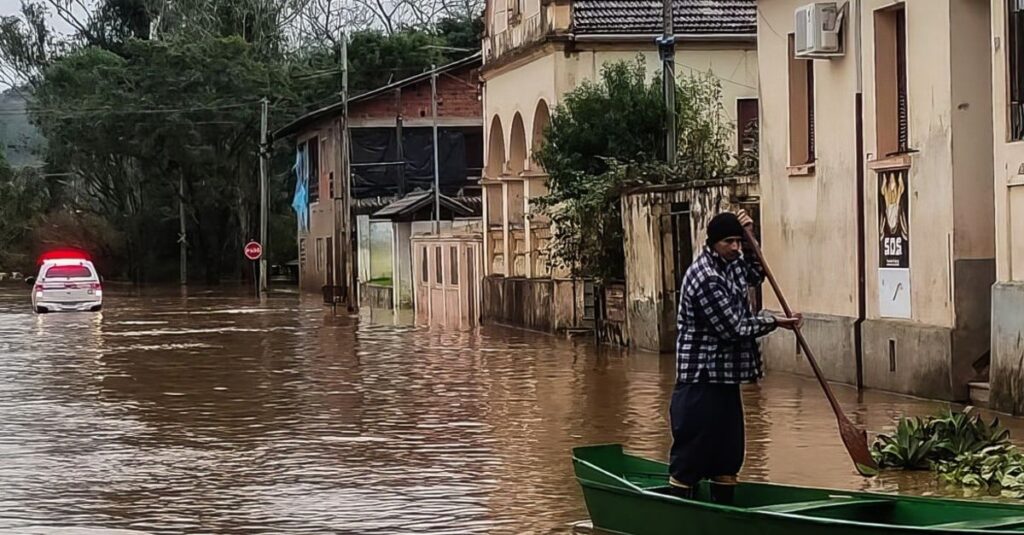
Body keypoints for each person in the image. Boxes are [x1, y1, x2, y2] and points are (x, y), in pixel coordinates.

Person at [668, 210, 802, 503]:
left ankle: (724, 512)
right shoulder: (705, 277)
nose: (735, 247)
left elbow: (757, 272)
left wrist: (752, 237)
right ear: (714, 243)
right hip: (700, 379)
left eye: (738, 242)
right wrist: (776, 322)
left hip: (726, 377)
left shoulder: (734, 262)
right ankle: (678, 510)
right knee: (691, 454)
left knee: (728, 455)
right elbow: (733, 328)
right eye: (729, 242)